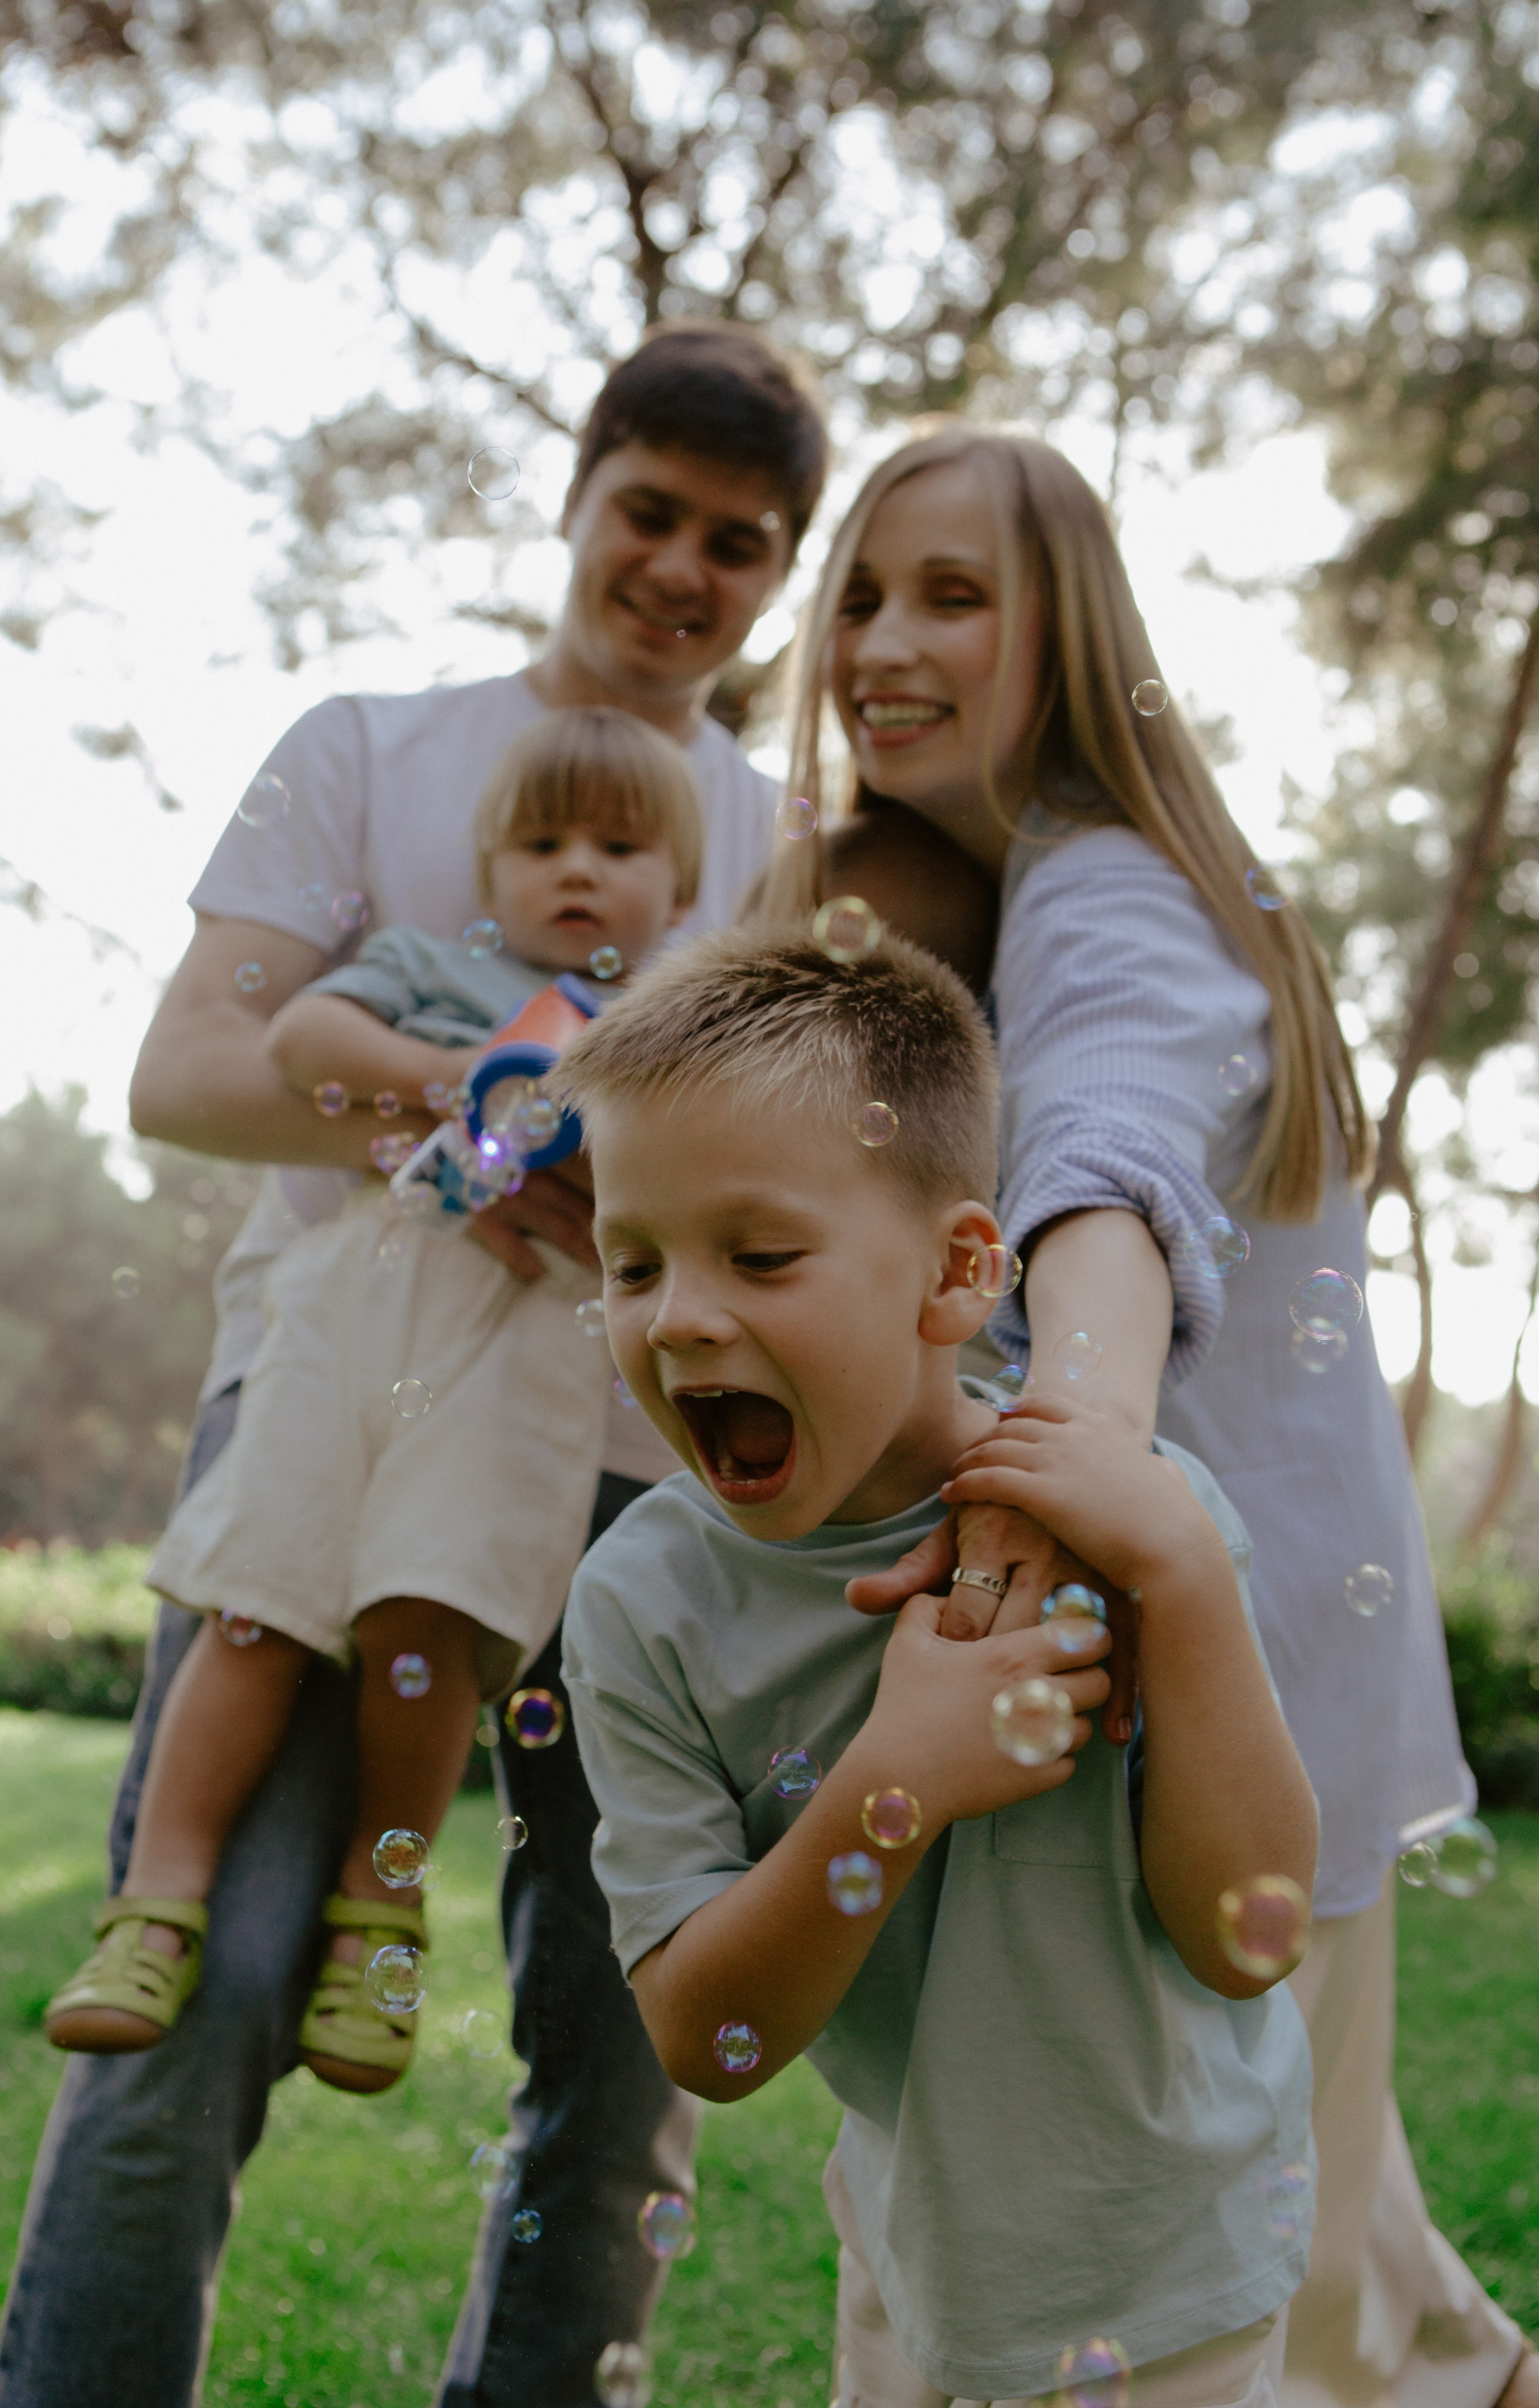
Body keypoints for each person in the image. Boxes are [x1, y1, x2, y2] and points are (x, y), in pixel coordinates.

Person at [0, 323, 827, 2408]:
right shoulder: (367, 744)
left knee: (617, 2038)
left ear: (775, 576)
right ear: (576, 494)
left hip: (650, 1479)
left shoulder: (783, 848)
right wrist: (479, 1140)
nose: (681, 571)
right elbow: (189, 1071)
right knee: (204, 1972)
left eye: (740, 545)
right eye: (651, 512)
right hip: (340, 1413)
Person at [762, 425, 1539, 2408]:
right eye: (862, 590)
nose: (882, 638)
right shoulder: (1038, 890)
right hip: (1266, 1687)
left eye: (955, 591)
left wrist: (1073, 1454)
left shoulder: (1101, 888)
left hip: (1204, 1705)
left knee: (1101, 2269)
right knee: (1335, 2246)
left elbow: (1103, 1172)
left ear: (1078, 631)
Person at [554, 923, 1320, 2408]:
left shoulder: (1139, 1522)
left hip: (1167, 2268)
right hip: (910, 2257)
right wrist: (894, 1779)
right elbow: (705, 2038)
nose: (679, 1315)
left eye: (758, 1255)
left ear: (960, 1272)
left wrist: (1179, 1581)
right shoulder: (640, 1602)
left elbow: (1250, 1936)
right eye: (628, 1264)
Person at [43, 707, 702, 2093]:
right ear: (487, 874)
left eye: (618, 845)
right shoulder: (427, 969)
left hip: (514, 1369)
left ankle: (380, 1921)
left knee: (428, 1627)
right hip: (345, 1331)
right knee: (254, 1606)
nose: (575, 869)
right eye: (540, 842)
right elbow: (300, 1032)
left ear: (682, 888)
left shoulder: (665, 1033)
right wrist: (439, 1077)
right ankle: (150, 1908)